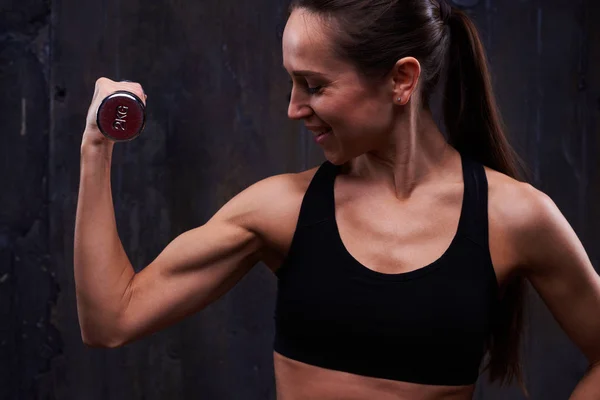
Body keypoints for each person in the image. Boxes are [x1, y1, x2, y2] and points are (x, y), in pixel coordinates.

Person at [74, 0, 600, 399]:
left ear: (401, 79)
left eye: (314, 85)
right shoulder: (280, 209)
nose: (294, 108)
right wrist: (95, 148)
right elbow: (111, 320)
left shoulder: (515, 216)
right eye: (291, 83)